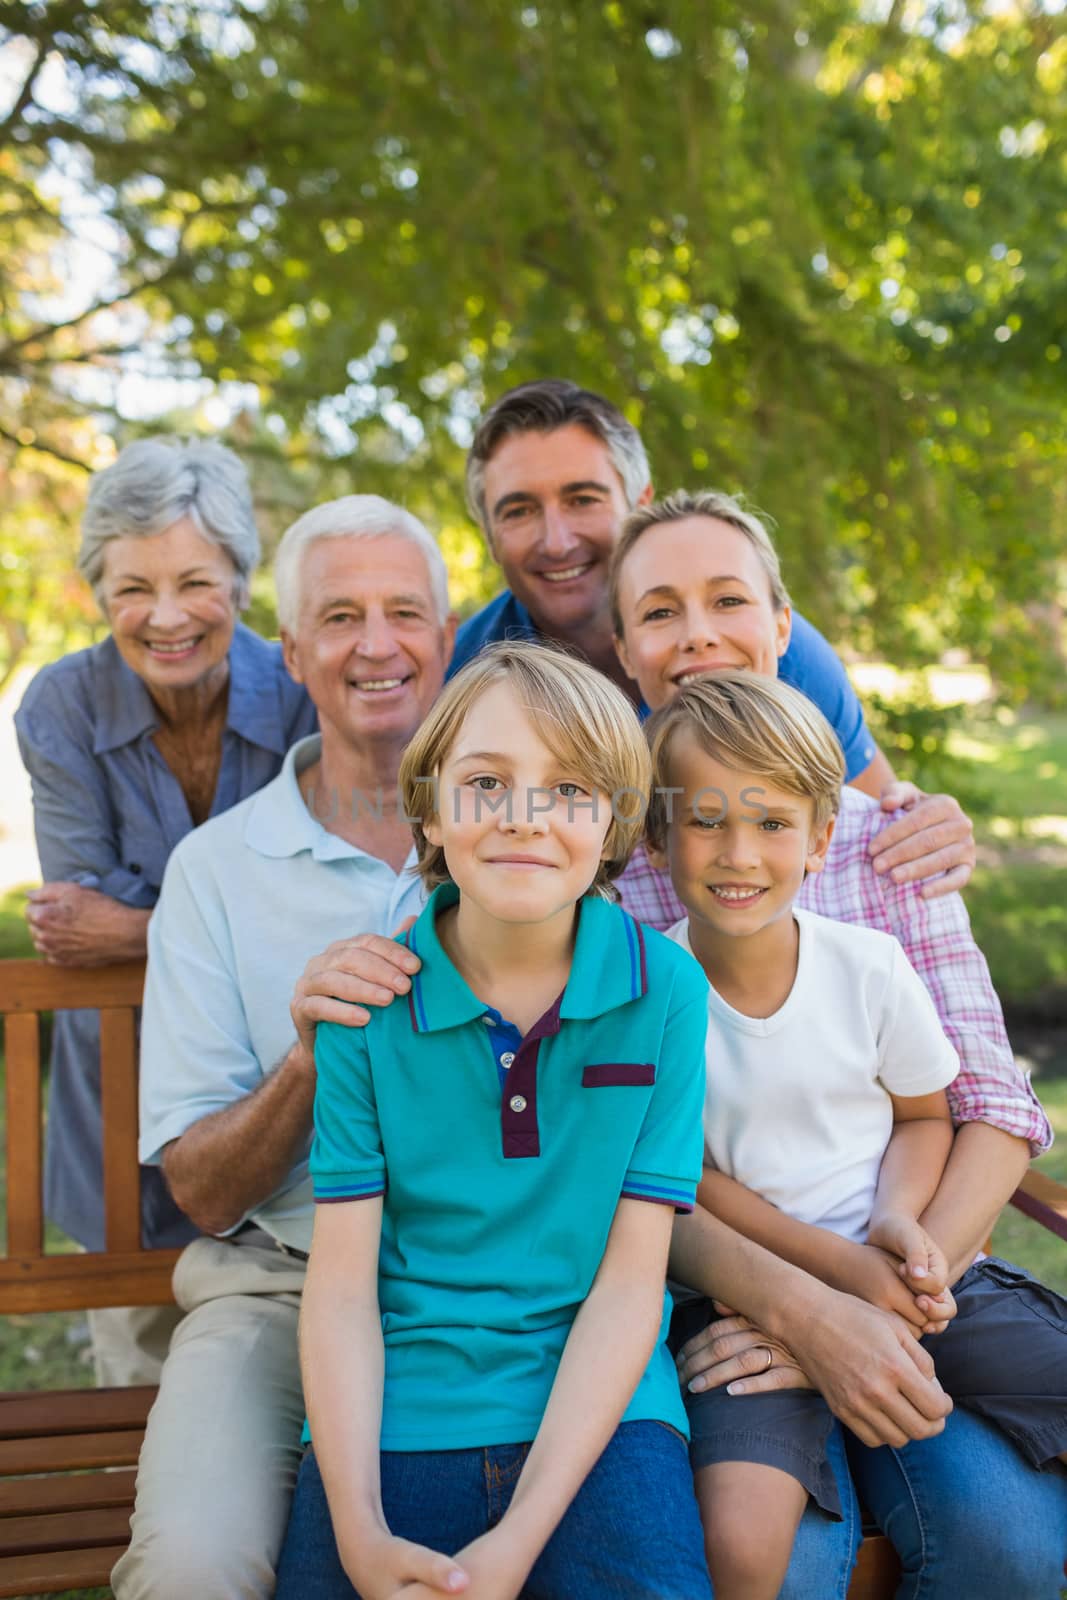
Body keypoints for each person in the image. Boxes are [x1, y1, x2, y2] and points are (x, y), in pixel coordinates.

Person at [324, 486, 1058, 1595]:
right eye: (659, 611)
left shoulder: (883, 842)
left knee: (1006, 1546)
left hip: (915, 1274)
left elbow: (985, 1108)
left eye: (727, 601)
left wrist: (876, 1298)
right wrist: (798, 1310)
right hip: (722, 1298)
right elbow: (609, 1149)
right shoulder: (590, 862)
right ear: (622, 648)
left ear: (780, 624)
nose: (699, 633)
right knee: (769, 1552)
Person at [275, 642, 713, 1600]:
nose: (524, 818)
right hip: (395, 1409)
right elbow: (343, 1294)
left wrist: (518, 1539)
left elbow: (629, 1289)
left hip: (602, 1412)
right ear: (428, 806)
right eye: (485, 782)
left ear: (613, 825)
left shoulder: (666, 991)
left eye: (568, 789)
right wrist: (357, 1531)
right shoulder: (368, 1002)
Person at [644, 672, 1067, 1600]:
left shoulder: (867, 967)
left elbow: (925, 1115)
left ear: (821, 838)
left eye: (771, 823)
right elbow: (695, 1184)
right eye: (706, 821)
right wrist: (836, 1282)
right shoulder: (653, 998)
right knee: (740, 1545)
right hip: (749, 1304)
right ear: (658, 837)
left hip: (920, 1274)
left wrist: (896, 1226)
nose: (738, 853)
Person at [113, 495, 456, 1600]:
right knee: (191, 1572)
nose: (376, 644)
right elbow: (204, 1190)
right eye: (340, 616)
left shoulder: (523, 830)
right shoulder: (216, 871)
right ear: (292, 650)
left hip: (489, 1273)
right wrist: (308, 1061)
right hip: (276, 1281)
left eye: (405, 612)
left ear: (445, 641)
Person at [13, 435, 315, 1386]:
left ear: (241, 577)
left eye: (196, 581)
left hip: (280, 1111)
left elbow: (318, 917)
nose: (167, 616)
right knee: (137, 1380)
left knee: (288, 1378)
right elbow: (76, 919)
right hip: (120, 1105)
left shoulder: (309, 696)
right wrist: (247, 923)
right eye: (132, 587)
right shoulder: (60, 706)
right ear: (98, 590)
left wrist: (137, 930)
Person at [451, 377, 977, 898]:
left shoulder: (774, 659)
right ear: (489, 535)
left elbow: (880, 825)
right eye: (518, 511)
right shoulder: (471, 676)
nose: (557, 540)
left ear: (639, 501)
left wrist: (930, 829)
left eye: (583, 499)